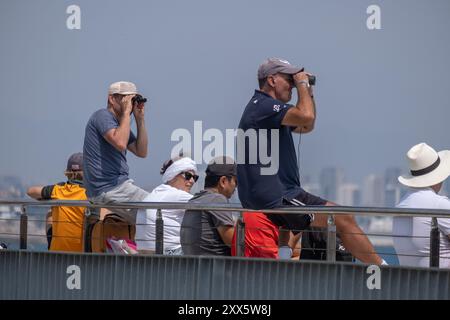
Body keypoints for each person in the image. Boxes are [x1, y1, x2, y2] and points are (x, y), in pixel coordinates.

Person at [237, 57, 383, 264]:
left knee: (292, 229)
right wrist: (303, 85)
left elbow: (306, 126)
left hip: (276, 193)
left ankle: (285, 265)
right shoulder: (265, 106)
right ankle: (382, 272)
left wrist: (308, 92)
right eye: (289, 79)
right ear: (271, 80)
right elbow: (306, 117)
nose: (293, 84)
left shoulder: (265, 110)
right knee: (342, 217)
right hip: (277, 197)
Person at [83, 81, 149, 225]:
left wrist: (140, 119)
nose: (130, 104)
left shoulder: (119, 126)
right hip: (109, 188)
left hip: (116, 187)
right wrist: (126, 113)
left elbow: (141, 151)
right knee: (157, 208)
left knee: (151, 217)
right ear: (112, 99)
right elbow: (120, 143)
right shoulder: (102, 116)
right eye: (127, 99)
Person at [393, 143, 450, 268]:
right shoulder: (438, 204)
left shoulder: (400, 205)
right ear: (438, 177)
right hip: (442, 282)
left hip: (412, 281)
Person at [136, 156, 197, 255]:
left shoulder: (156, 192)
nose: (192, 181)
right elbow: (206, 204)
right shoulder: (176, 194)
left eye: (195, 177)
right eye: (188, 176)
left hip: (146, 254)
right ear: (174, 174)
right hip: (169, 254)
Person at [26, 152, 87, 252]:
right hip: (82, 252)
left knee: (51, 214)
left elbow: (30, 191)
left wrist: (46, 198)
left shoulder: (58, 190)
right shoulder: (90, 193)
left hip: (58, 251)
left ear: (68, 172)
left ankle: (51, 247)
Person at [181, 157, 237, 256]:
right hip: (218, 268)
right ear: (223, 181)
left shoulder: (195, 200)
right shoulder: (217, 199)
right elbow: (233, 241)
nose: (236, 187)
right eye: (235, 182)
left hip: (197, 267)